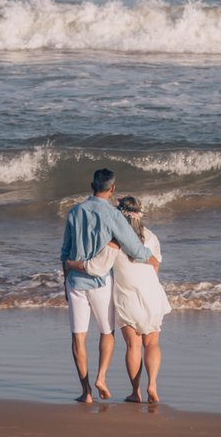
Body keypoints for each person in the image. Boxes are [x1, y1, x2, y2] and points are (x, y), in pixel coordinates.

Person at [60, 168, 158, 404]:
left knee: (78, 338)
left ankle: (86, 393)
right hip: (101, 283)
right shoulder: (113, 215)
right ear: (112, 188)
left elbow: (65, 252)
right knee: (107, 333)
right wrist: (152, 258)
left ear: (91, 184)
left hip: (75, 282)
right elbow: (135, 248)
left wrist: (65, 280)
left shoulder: (74, 212)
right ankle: (101, 377)